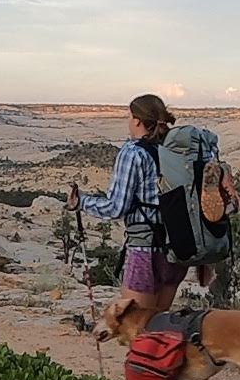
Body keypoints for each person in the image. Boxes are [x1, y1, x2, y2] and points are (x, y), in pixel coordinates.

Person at [67, 93, 210, 315]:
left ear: (137, 120)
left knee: (137, 326)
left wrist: (82, 202)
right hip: (176, 250)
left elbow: (116, 207)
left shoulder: (133, 152)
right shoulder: (173, 151)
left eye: (130, 116)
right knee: (158, 324)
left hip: (145, 250)